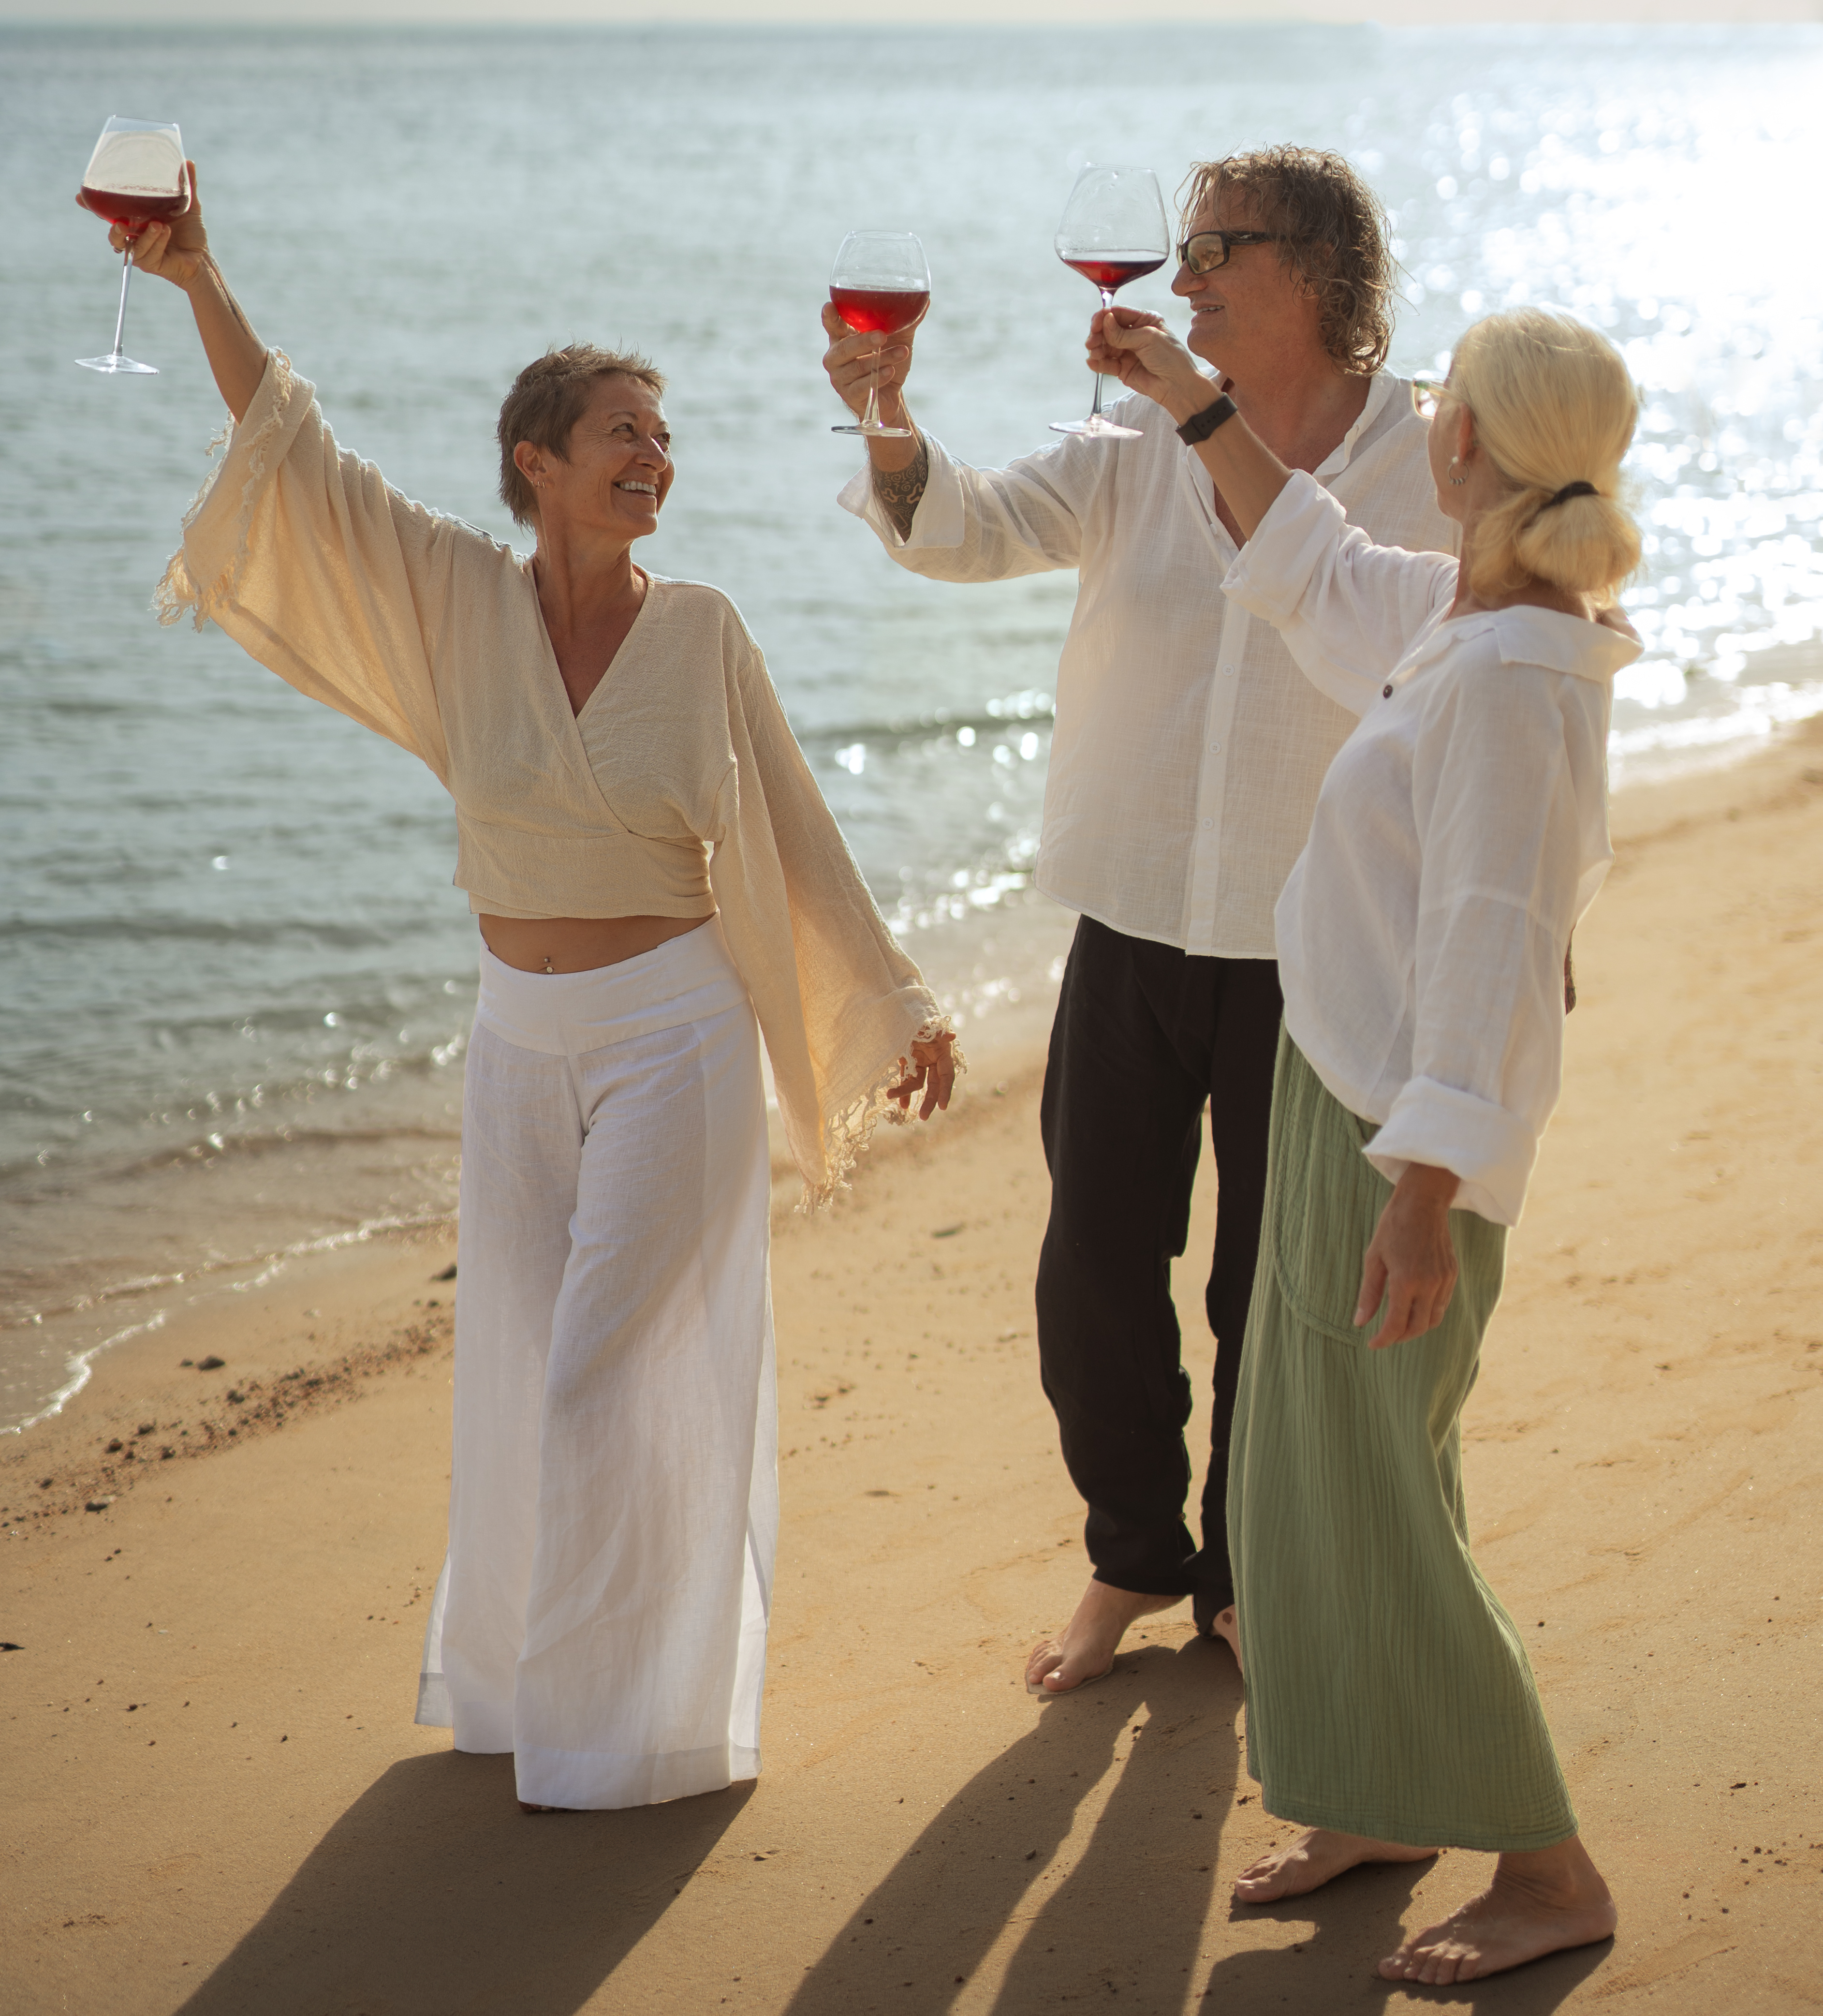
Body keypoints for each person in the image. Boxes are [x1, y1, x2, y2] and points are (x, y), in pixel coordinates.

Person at [100, 176, 958, 1815]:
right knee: (513, 1376)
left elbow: (786, 823)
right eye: (620, 432)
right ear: (536, 466)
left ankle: (624, 1732)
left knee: (606, 1379)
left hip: (674, 1041)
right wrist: (201, 279)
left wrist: (893, 1000)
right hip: (517, 1044)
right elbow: (293, 448)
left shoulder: (701, 630)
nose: (654, 456)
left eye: (664, 435)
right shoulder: (452, 600)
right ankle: (510, 1696)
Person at [822, 149, 1454, 1693]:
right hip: (1129, 913)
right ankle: (1130, 1559)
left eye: (1213, 250)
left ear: (1311, 270)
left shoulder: (1434, 454)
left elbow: (1457, 672)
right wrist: (885, 416)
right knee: (1093, 1268)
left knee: (1271, 1285)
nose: (1179, 281)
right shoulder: (1127, 447)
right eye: (1178, 252)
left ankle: (1241, 1581)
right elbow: (955, 530)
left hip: (1318, 937)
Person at [1089, 294, 1634, 1986]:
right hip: (1348, 1098)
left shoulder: (1515, 671)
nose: (1429, 413)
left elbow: (1486, 936)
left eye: (1444, 398)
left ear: (1466, 443)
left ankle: (1547, 1870)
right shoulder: (1471, 617)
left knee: (1377, 1505)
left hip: (1395, 1141)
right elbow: (1313, 560)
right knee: (1307, 1493)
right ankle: (1381, 1803)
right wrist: (1191, 398)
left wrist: (1417, 1198)